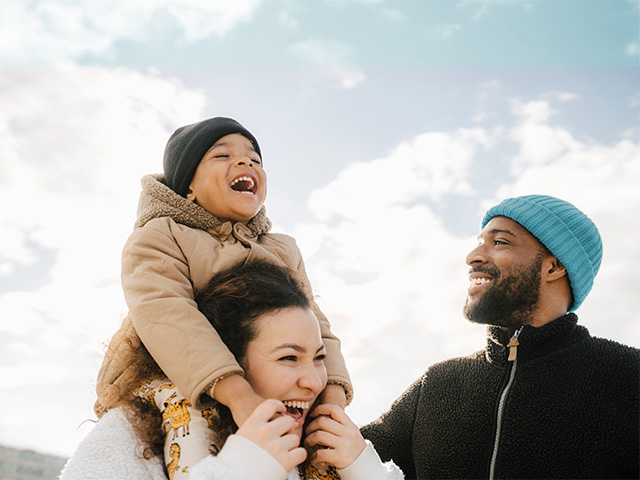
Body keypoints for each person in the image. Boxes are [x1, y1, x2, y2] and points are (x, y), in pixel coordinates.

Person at [92, 118, 352, 473]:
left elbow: (315, 325)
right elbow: (168, 316)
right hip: (183, 376)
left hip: (273, 375)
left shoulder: (281, 249)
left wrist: (333, 398)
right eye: (222, 155)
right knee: (193, 426)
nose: (246, 163)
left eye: (255, 159)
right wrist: (239, 396)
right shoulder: (160, 237)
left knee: (322, 447)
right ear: (189, 186)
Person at [361, 194, 640, 479]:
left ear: (553, 267)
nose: (473, 256)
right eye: (479, 242)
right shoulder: (437, 384)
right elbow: (335, 462)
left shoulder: (629, 376)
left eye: (499, 242)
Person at [60, 261, 403, 480]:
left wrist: (366, 472)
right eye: (288, 358)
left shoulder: (322, 455)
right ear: (227, 362)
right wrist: (243, 471)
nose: (313, 382)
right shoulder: (126, 438)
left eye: (318, 358)